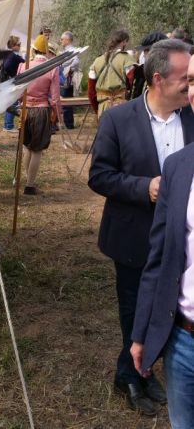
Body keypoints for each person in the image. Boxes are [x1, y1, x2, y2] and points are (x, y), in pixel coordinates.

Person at [89, 39, 194, 416]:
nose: (191, 85)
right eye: (185, 78)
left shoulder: (192, 117)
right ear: (157, 79)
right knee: (135, 310)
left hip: (179, 242)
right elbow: (99, 176)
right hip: (133, 236)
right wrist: (143, 188)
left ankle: (150, 369)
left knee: (169, 308)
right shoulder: (119, 119)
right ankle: (133, 376)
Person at [131, 55, 194, 429]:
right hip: (183, 342)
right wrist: (141, 333)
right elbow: (160, 258)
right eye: (191, 80)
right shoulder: (179, 167)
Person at [17, 36, 61, 195]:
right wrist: (57, 115)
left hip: (25, 110)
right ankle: (29, 184)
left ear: (34, 50)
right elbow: (55, 97)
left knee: (27, 146)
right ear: (47, 51)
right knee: (36, 150)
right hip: (42, 111)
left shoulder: (23, 66)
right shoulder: (53, 68)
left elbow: (18, 92)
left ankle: (27, 180)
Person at [88, 29, 136, 120]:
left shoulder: (97, 61)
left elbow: (91, 93)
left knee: (107, 134)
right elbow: (134, 85)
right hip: (122, 106)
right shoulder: (127, 59)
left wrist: (97, 109)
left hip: (103, 108)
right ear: (124, 42)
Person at [128, 32, 168, 101]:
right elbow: (134, 97)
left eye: (147, 51)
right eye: (145, 51)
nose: (144, 55)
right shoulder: (140, 72)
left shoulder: (173, 74)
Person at [1, 35, 26, 133]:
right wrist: (14, 75)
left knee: (10, 102)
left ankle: (7, 124)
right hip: (12, 82)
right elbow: (7, 66)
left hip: (7, 82)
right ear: (13, 45)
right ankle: (9, 125)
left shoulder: (8, 54)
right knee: (12, 102)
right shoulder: (13, 56)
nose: (20, 46)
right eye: (19, 44)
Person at [59, 31, 82, 129]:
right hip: (65, 78)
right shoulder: (67, 50)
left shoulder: (71, 50)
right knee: (66, 101)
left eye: (62, 39)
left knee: (66, 101)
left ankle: (69, 124)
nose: (61, 41)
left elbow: (76, 61)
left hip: (67, 79)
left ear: (67, 40)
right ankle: (68, 123)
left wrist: (68, 69)